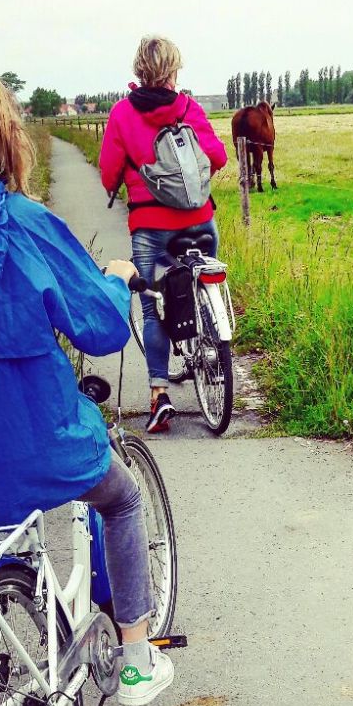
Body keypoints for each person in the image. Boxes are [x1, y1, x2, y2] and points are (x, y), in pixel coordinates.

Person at [0, 55, 173, 706]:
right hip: (47, 447)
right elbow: (103, 332)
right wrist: (116, 278)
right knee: (123, 500)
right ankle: (137, 659)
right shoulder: (22, 224)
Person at [100, 35, 228, 434]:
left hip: (150, 227)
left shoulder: (122, 114)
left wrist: (123, 181)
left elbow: (107, 171)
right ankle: (213, 330)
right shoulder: (189, 107)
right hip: (199, 221)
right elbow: (219, 156)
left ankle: (159, 393)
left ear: (139, 69)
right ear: (174, 70)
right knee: (206, 274)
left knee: (153, 306)